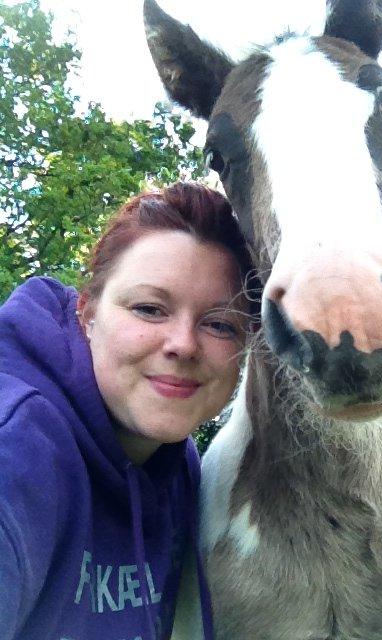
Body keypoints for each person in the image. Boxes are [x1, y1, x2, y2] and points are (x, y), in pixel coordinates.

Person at [0, 182, 254, 640]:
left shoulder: (179, 468)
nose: (182, 345)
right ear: (87, 313)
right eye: (150, 309)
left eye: (219, 324)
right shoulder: (17, 445)